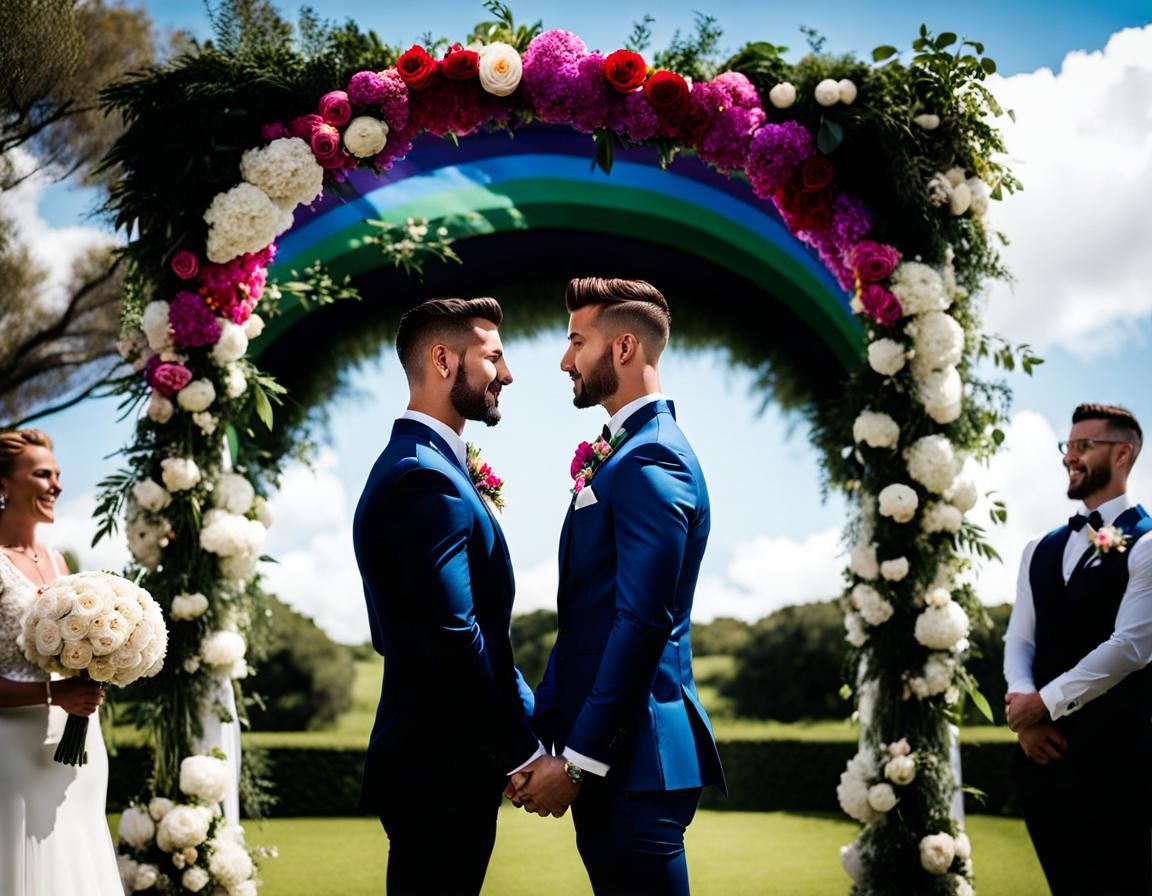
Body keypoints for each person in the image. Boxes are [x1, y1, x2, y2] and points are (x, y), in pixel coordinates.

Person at [509, 277, 726, 896]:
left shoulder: (653, 458)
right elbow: (585, 622)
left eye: (577, 342)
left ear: (624, 348)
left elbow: (642, 622)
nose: (564, 360)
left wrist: (578, 762)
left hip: (638, 762)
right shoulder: (625, 454)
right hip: (618, 764)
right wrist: (536, 737)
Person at [352, 298, 541, 896]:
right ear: (442, 360)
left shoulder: (432, 468)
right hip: (438, 766)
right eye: (494, 358)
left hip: (442, 762)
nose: (507, 374)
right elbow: (455, 634)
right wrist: (523, 750)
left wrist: (537, 725)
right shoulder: (422, 478)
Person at [1003, 403, 1152, 896]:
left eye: (1084, 446)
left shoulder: (1147, 543)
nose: (1070, 456)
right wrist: (1024, 710)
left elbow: (1130, 647)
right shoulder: (1037, 549)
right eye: (1067, 446)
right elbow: (1020, 639)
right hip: (1041, 763)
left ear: (1122, 453)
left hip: (1120, 763)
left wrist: (1043, 703)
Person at [0, 428, 121, 896]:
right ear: (4, 484)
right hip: (15, 751)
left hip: (79, 745)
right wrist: (54, 693)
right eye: (42, 474)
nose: (57, 485)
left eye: (58, 474)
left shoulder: (58, 563)